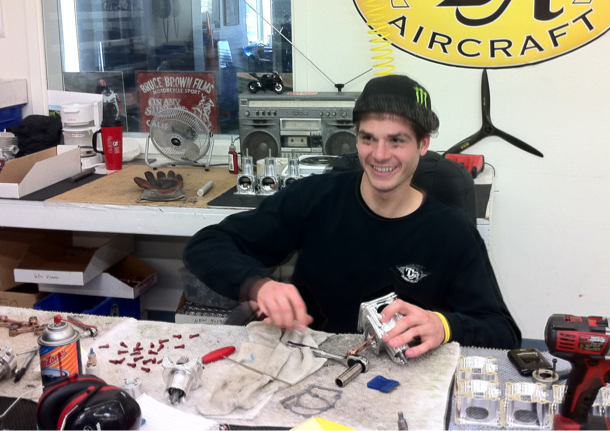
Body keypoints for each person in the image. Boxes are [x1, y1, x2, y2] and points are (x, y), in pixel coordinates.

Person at [184, 75, 521, 355]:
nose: (380, 155)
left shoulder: (452, 231)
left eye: (397, 141)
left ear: (423, 144)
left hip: (404, 382)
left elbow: (503, 333)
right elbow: (206, 244)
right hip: (311, 366)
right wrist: (258, 284)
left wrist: (444, 326)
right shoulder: (315, 198)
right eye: (368, 138)